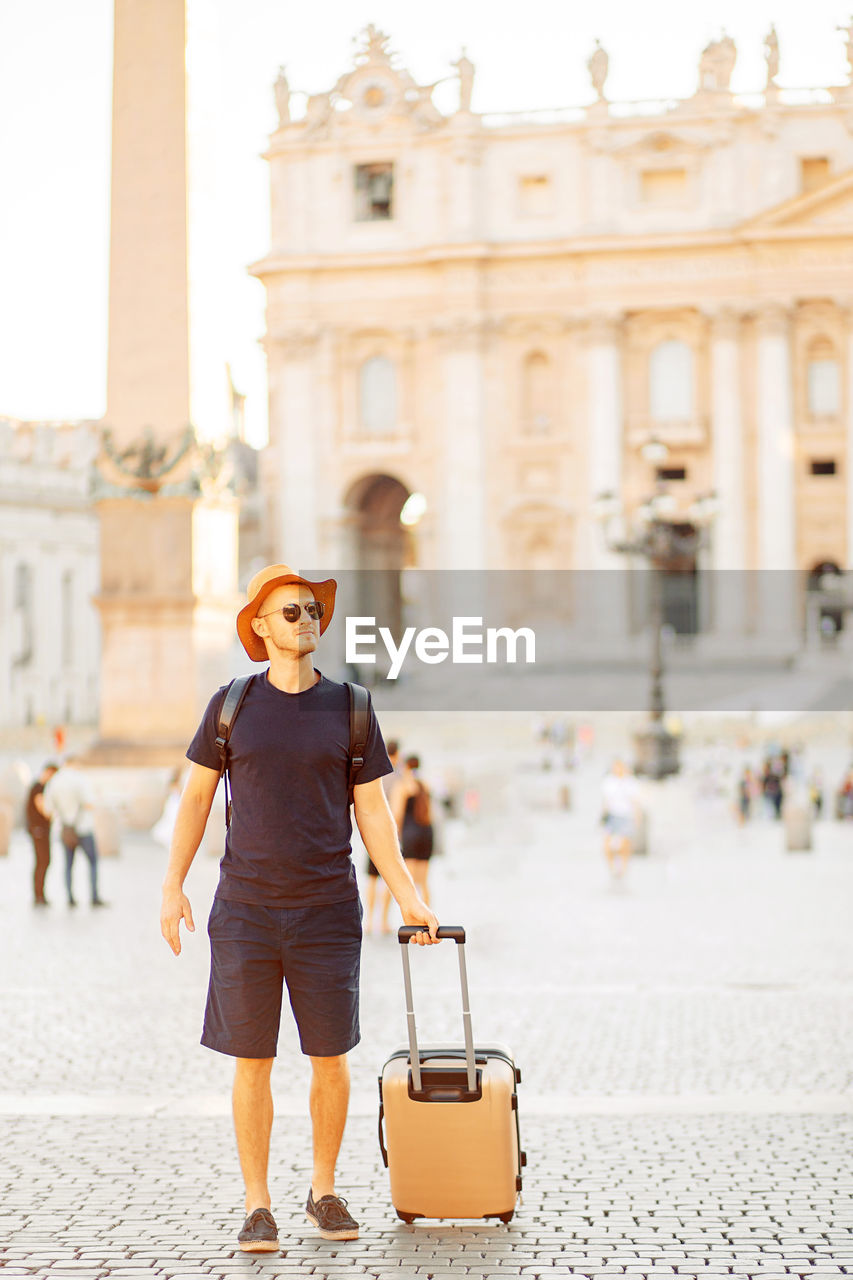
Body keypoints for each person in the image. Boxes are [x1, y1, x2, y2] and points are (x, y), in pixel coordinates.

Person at [159, 563, 439, 1254]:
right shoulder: (230, 705)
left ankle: (323, 1188)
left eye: (312, 610)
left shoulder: (351, 705)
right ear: (259, 624)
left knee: (329, 1057)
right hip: (246, 908)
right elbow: (195, 800)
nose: (306, 620)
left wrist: (409, 898)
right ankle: (257, 1203)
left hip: (327, 909)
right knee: (250, 1060)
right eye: (291, 611)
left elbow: (372, 812)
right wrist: (172, 885)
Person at [44, 757, 107, 908]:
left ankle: (70, 897)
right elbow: (90, 804)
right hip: (83, 827)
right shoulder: (81, 779)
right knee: (92, 862)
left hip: (65, 829)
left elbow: (48, 809)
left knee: (68, 865)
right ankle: (94, 896)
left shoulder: (55, 781)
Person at [364, 740, 400, 935]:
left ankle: (370, 920)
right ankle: (384, 920)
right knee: (388, 876)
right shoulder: (397, 776)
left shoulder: (375, 772)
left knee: (371, 878)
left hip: (371, 831)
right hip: (388, 831)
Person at [392, 755, 435, 908]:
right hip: (426, 833)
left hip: (410, 834)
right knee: (423, 882)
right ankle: (428, 918)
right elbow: (430, 813)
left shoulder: (403, 786)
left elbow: (397, 814)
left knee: (410, 882)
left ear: (406, 768)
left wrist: (395, 837)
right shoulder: (425, 785)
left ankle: (416, 921)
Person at [601, 758, 642, 879]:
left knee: (625, 844)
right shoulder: (608, 782)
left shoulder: (630, 782)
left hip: (625, 815)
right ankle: (612, 867)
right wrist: (603, 817)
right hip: (612, 815)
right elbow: (606, 801)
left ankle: (623, 868)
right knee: (607, 845)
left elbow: (635, 802)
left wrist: (637, 816)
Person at [26, 762, 58, 906]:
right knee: (43, 861)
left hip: (40, 830)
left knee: (43, 861)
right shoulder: (39, 788)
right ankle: (39, 895)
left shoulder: (39, 787)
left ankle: (40, 894)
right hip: (39, 830)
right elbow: (43, 809)